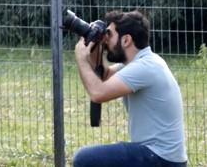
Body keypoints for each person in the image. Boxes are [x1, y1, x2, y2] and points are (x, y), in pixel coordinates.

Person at [73, 10, 187, 167]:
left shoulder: (146, 67)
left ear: (126, 40)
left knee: (84, 159)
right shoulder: (142, 62)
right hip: (158, 156)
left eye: (109, 35)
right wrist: (95, 46)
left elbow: (98, 93)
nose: (106, 40)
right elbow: (104, 75)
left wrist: (81, 58)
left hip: (160, 158)